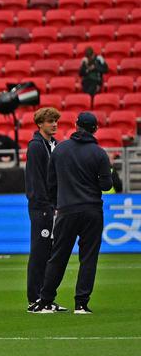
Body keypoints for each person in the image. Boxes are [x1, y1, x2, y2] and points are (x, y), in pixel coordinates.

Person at [32, 112, 112, 314]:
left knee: (58, 257)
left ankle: (45, 300)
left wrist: (58, 203)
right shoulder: (99, 153)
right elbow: (106, 185)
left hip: (66, 210)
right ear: (95, 129)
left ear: (76, 126)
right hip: (92, 210)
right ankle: (81, 304)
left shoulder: (60, 149)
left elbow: (51, 183)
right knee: (88, 258)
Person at [24, 107, 60, 312]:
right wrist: (46, 205)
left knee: (49, 253)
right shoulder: (36, 147)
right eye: (49, 121)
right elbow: (37, 179)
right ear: (39, 124)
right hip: (42, 207)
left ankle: (46, 298)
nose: (54, 124)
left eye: (55, 121)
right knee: (39, 253)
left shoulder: (54, 144)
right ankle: (34, 299)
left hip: (51, 206)